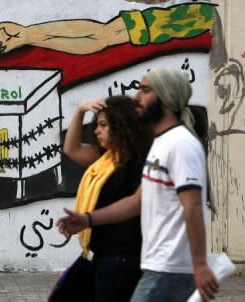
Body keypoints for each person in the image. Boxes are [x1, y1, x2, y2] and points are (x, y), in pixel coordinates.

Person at [57, 68, 219, 301]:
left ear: (166, 97)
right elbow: (137, 201)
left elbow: (192, 207)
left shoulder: (181, 144)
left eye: (144, 90)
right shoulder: (161, 145)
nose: (136, 97)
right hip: (155, 265)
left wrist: (200, 265)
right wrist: (87, 220)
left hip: (170, 268)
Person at [62, 95, 152, 301]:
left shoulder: (137, 163)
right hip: (102, 257)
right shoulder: (105, 159)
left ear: (121, 126)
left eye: (103, 125)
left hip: (124, 259)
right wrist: (80, 111)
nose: (96, 130)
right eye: (97, 125)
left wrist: (88, 219)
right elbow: (71, 149)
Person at [0, 2, 214, 55]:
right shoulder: (192, 15)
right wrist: (27, 34)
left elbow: (101, 36)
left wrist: (27, 35)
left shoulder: (202, 15)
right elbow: (102, 35)